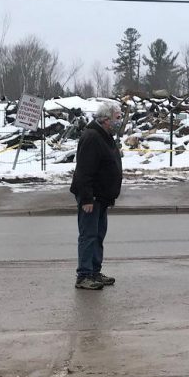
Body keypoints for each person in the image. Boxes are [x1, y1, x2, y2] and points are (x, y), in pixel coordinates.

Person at [70, 102, 123, 290]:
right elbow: (84, 171)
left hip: (102, 197)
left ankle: (94, 271)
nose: (121, 121)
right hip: (91, 198)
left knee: (98, 235)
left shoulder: (106, 136)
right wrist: (86, 198)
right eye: (118, 117)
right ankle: (84, 275)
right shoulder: (92, 136)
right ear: (106, 119)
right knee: (89, 235)